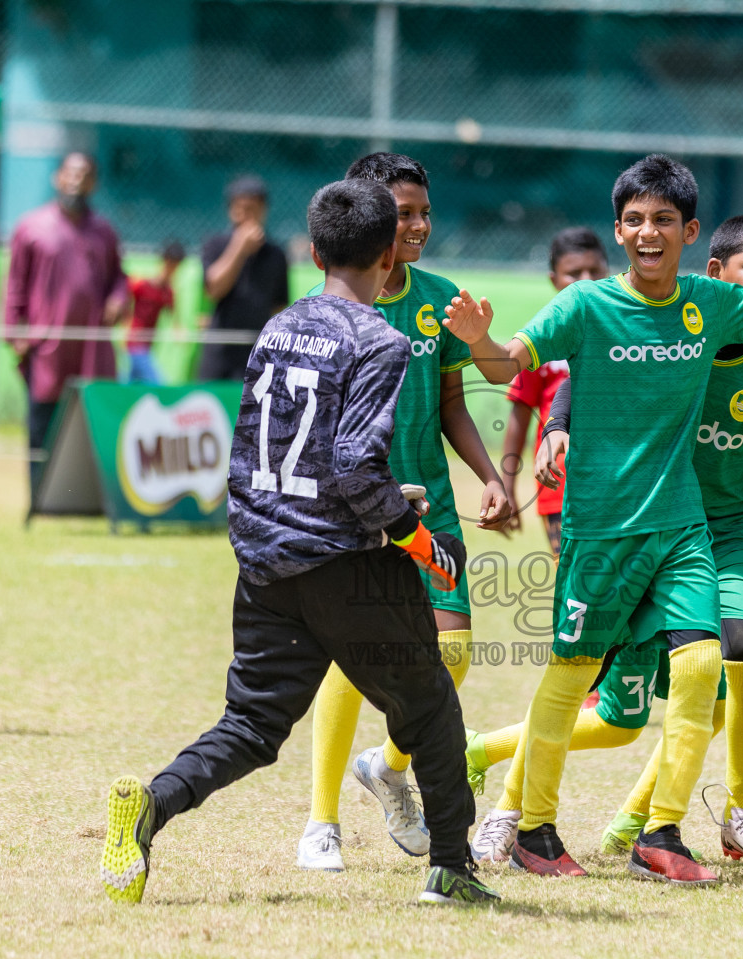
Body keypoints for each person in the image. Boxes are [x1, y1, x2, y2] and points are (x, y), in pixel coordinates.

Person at [445, 153, 743, 883]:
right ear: (619, 229)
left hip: (683, 529)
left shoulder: (711, 302)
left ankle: (660, 833)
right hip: (600, 533)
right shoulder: (586, 306)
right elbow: (509, 363)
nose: (647, 232)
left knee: (703, 667)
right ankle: (532, 826)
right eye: (634, 220)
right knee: (571, 683)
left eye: (663, 220)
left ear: (689, 231)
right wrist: (479, 340)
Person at [99, 178, 498, 908]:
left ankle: (150, 810)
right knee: (432, 713)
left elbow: (254, 448)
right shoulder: (379, 339)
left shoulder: (278, 326)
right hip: (348, 566)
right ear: (387, 254)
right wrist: (415, 536)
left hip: (266, 561)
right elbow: (352, 464)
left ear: (313, 251)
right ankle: (450, 869)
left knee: (250, 725)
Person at [297, 153, 514, 872]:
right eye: (403, 212)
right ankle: (321, 822)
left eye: (424, 210)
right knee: (349, 661)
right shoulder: (331, 305)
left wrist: (490, 475)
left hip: (432, 506)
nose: (417, 224)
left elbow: (455, 399)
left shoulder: (443, 299)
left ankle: (387, 766)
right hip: (353, 511)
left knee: (451, 654)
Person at [4, 151, 128, 497]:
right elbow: (15, 283)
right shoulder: (31, 227)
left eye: (85, 174)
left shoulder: (104, 231)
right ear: (57, 178)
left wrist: (119, 298)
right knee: (43, 423)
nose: (76, 181)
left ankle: (93, 497)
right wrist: (15, 333)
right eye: (70, 173)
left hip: (91, 347)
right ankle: (41, 497)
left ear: (94, 182)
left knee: (94, 424)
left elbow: (119, 278)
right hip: (47, 348)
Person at [500, 227, 609, 554]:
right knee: (575, 576)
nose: (585, 280)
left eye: (595, 271)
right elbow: (519, 414)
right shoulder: (541, 337)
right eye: (574, 273)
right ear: (554, 279)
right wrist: (507, 485)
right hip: (559, 482)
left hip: (616, 479)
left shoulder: (622, 330)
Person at [197, 175, 289, 383]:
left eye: (252, 209)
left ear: (263, 210)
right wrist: (239, 247)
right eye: (241, 209)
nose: (246, 217)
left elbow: (279, 306)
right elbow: (214, 289)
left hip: (258, 350)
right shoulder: (215, 244)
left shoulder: (275, 254)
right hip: (219, 348)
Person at [124, 241, 183, 385]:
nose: (173, 270)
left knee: (128, 383)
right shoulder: (142, 286)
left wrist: (178, 330)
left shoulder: (168, 292)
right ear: (166, 262)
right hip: (135, 342)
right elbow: (124, 298)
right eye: (173, 265)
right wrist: (125, 319)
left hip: (148, 344)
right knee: (157, 382)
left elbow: (174, 316)